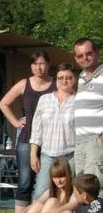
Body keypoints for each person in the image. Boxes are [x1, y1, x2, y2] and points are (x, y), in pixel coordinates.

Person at [0, 51, 55, 213]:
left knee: (46, 183)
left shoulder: (55, 84)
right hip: (26, 139)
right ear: (31, 66)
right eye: (35, 64)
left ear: (48, 64)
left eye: (42, 63)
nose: (39, 67)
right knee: (24, 182)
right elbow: (3, 103)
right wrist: (15, 122)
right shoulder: (24, 84)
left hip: (50, 140)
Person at [29, 62, 76, 201]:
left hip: (70, 155)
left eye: (68, 77)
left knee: (67, 195)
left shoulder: (78, 101)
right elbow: (37, 128)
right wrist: (33, 154)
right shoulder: (44, 99)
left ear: (74, 80)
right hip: (47, 155)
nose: (64, 81)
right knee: (40, 194)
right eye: (60, 77)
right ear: (56, 80)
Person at [72, 38, 103, 192]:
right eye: (80, 55)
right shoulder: (81, 78)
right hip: (80, 144)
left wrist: (100, 138)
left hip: (96, 143)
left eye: (88, 53)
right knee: (82, 192)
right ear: (76, 58)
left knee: (96, 191)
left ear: (97, 53)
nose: (85, 58)